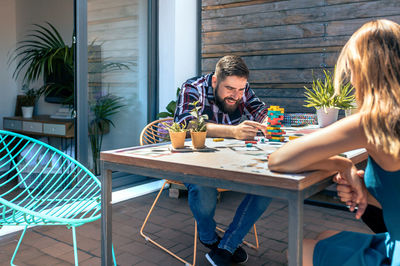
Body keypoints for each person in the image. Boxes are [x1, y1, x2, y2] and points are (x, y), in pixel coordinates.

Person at [268, 19, 400, 265]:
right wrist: (368, 192)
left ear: (365, 70)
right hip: (394, 239)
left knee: (297, 251)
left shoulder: (375, 120)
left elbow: (279, 159)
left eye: (352, 71)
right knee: (325, 235)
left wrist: (342, 165)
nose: (352, 81)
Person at [174, 55, 271, 266]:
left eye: (240, 90)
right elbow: (185, 124)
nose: (236, 95)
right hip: (197, 162)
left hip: (234, 161)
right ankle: (208, 238)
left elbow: (262, 110)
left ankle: (227, 245)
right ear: (215, 81)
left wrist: (268, 121)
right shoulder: (193, 87)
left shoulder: (241, 89)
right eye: (229, 89)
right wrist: (234, 132)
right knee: (202, 185)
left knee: (270, 183)